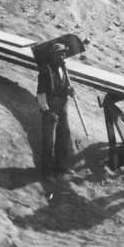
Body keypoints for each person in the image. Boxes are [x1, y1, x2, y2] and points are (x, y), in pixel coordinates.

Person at [36, 42, 74, 176]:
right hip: (50, 109)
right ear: (52, 56)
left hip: (62, 107)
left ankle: (62, 167)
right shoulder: (45, 72)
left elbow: (63, 87)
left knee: (63, 138)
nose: (62, 57)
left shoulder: (63, 69)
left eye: (64, 54)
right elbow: (40, 95)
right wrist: (47, 111)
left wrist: (69, 91)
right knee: (49, 143)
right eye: (59, 54)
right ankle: (47, 172)